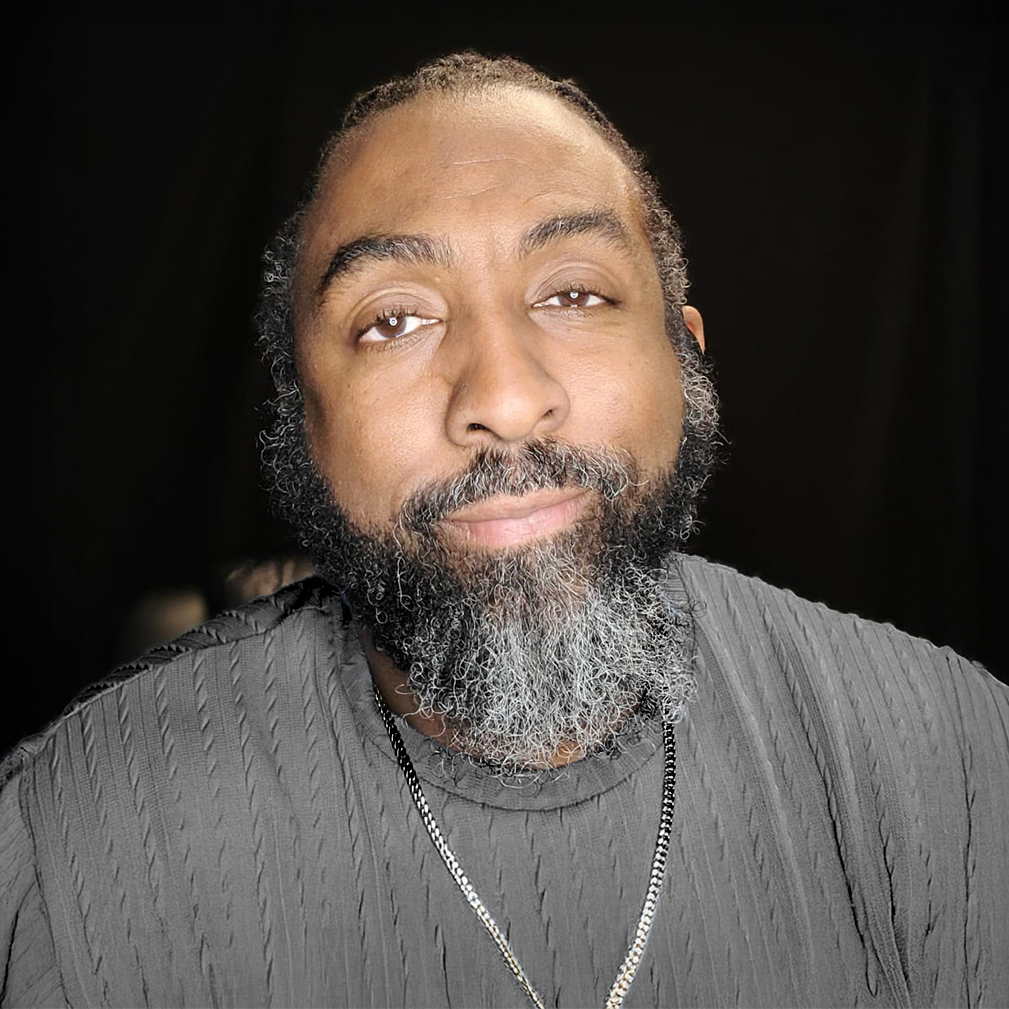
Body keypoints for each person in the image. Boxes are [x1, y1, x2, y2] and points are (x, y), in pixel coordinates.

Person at [2, 52, 1006, 1009]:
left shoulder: (959, 756)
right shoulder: (70, 840)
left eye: (573, 294)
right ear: (302, 422)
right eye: (393, 320)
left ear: (686, 362)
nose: (504, 398)